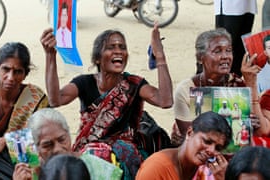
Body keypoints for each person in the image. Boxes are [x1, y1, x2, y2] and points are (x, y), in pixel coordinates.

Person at [40, 22, 173, 178]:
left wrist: (160, 55)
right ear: (97, 58)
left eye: (122, 47)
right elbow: (56, 99)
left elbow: (165, 101)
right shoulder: (84, 82)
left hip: (124, 154)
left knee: (97, 155)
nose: (119, 51)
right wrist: (50, 55)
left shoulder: (134, 84)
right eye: (111, 47)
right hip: (88, 150)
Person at [0, 42, 49, 179]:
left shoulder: (35, 96)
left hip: (23, 157)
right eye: (5, 69)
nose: (11, 77)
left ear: (25, 74)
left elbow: (42, 135)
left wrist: (4, 141)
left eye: (18, 71)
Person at [172, 28, 246, 147]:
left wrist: (251, 122)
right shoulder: (186, 89)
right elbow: (190, 138)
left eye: (228, 51)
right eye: (217, 51)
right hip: (200, 153)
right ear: (200, 58)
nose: (225, 56)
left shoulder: (239, 85)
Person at [13, 108, 123, 180]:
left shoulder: (98, 168)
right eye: (48, 145)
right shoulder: (29, 175)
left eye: (62, 140)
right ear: (35, 147)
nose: (58, 149)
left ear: (69, 134)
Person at [136, 111, 232, 180]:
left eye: (218, 148)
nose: (211, 151)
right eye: (207, 141)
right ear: (190, 133)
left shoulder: (210, 171)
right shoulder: (156, 168)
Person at [214, 0, 257, 77]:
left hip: (248, 6)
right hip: (229, 9)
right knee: (225, 48)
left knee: (241, 49)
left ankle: (235, 81)